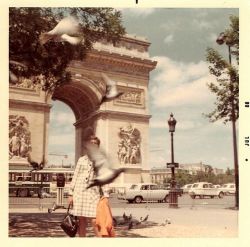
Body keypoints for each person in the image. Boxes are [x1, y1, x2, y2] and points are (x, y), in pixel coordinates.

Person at [68, 135, 108, 237]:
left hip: (93, 194)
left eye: (95, 144)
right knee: (81, 221)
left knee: (95, 220)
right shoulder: (81, 160)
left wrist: (106, 195)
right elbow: (75, 176)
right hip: (79, 193)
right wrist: (70, 194)